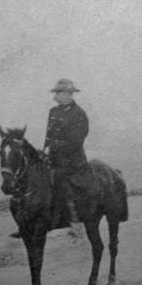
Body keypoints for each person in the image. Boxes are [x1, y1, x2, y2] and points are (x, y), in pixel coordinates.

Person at [44, 78, 89, 237]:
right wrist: (45, 150)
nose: (56, 96)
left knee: (62, 180)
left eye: (59, 93)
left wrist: (56, 147)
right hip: (54, 157)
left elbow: (76, 140)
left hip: (72, 159)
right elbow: (48, 136)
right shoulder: (53, 112)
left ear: (69, 95)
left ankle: (75, 223)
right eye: (57, 93)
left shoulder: (79, 114)